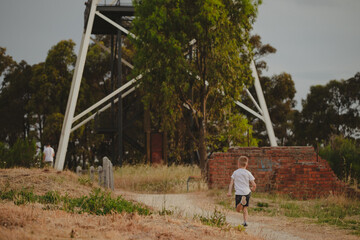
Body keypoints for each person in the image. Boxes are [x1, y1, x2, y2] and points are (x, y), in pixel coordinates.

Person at [227, 156, 256, 227]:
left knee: (238, 209)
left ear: (238, 164)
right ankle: (245, 222)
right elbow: (254, 184)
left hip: (239, 193)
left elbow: (231, 183)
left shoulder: (235, 172)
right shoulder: (248, 173)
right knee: (245, 208)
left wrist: (229, 192)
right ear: (246, 164)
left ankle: (240, 203)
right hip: (247, 192)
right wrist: (253, 188)